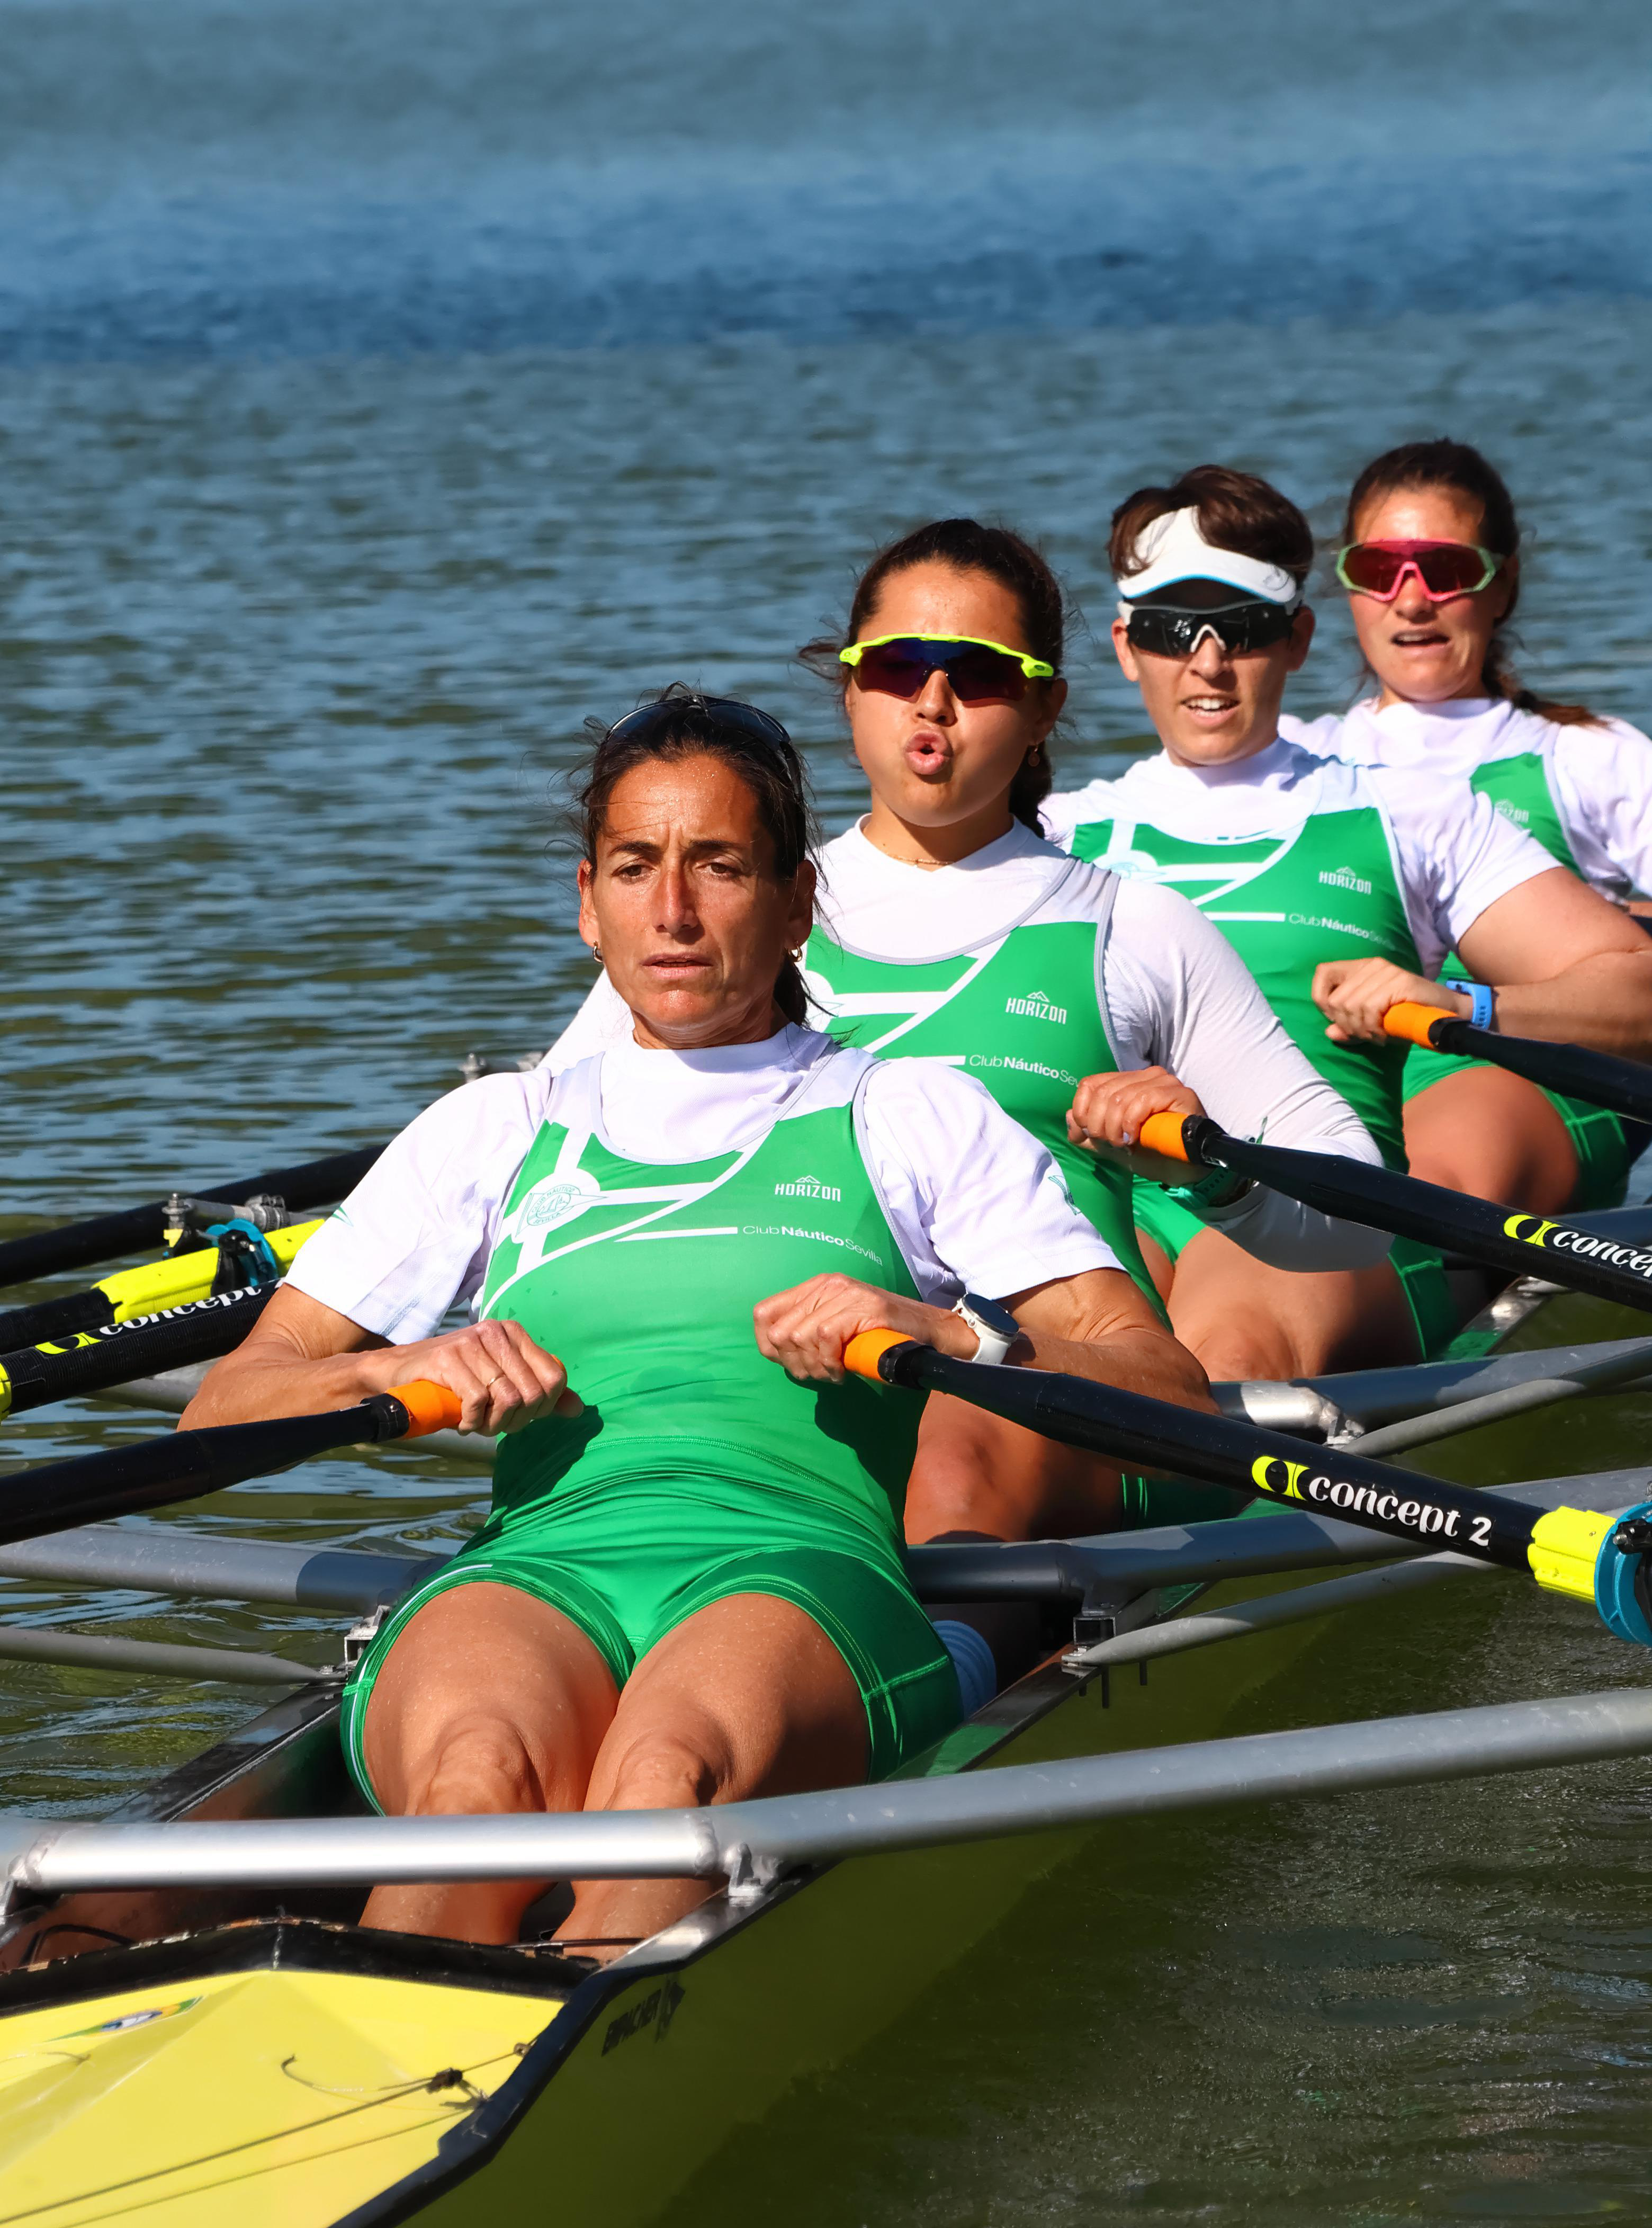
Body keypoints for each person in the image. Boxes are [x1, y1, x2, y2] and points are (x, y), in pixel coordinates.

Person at [183, 688, 1210, 1952]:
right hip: (536, 1568)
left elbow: (1165, 1394)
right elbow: (228, 1403)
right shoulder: (492, 1130)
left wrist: (953, 1338)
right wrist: (405, 1364)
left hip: (796, 1571)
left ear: (794, 909)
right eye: (635, 867)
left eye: (716, 866)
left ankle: (541, 2080)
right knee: (467, 1787)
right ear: (585, 901)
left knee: (662, 1782)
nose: (670, 912)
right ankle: (358, 2087)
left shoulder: (908, 1116)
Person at [553, 520, 1394, 1531]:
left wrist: (1212, 1171)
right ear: (851, 689)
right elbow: (541, 1163)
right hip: (770, 1385)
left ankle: (946, 1658)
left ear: (1045, 705)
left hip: (1034, 1389)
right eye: (899, 666)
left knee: (945, 1444)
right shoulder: (730, 910)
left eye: (982, 675)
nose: (934, 702)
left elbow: (1362, 1219)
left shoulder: (1130, 927)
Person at [1047, 467, 1652, 1375]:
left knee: (1224, 1353)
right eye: (1175, 630)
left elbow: (1638, 993)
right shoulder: (1055, 836)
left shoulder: (1413, 810)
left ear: (1296, 637)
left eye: (1243, 628)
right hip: (1120, 1195)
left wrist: (1461, 1004)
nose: (1208, 663)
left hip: (1315, 1204)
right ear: (1127, 646)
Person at [1285, 435, 1652, 1214]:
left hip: (1535, 1074)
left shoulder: (1588, 759)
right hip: (1343, 1074)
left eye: (1444, 570)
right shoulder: (1300, 762)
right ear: (1347, 588)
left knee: (1412, 1185)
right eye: (1379, 572)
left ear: (1503, 582)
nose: (1411, 601)